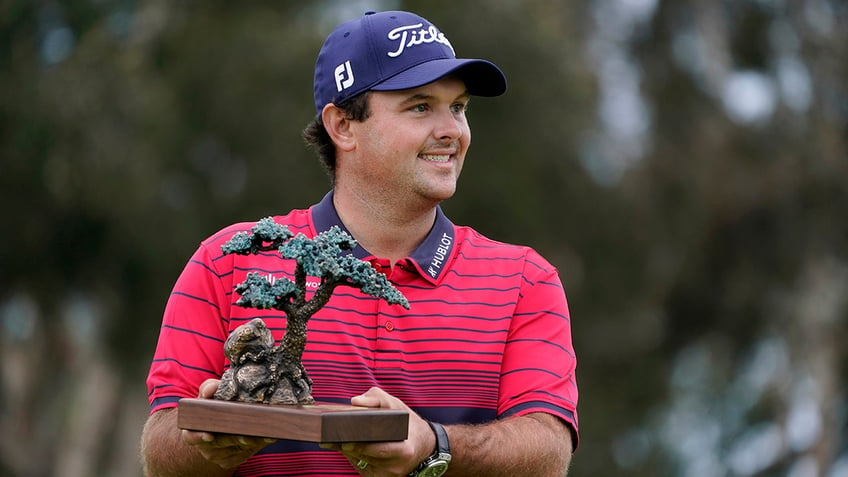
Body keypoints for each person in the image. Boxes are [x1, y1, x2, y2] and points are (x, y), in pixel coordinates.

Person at [141, 9, 578, 477]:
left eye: (459, 106)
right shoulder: (227, 260)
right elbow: (160, 448)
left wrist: (436, 444)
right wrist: (207, 436)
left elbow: (549, 450)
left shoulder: (525, 280)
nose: (453, 130)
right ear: (343, 126)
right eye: (420, 106)